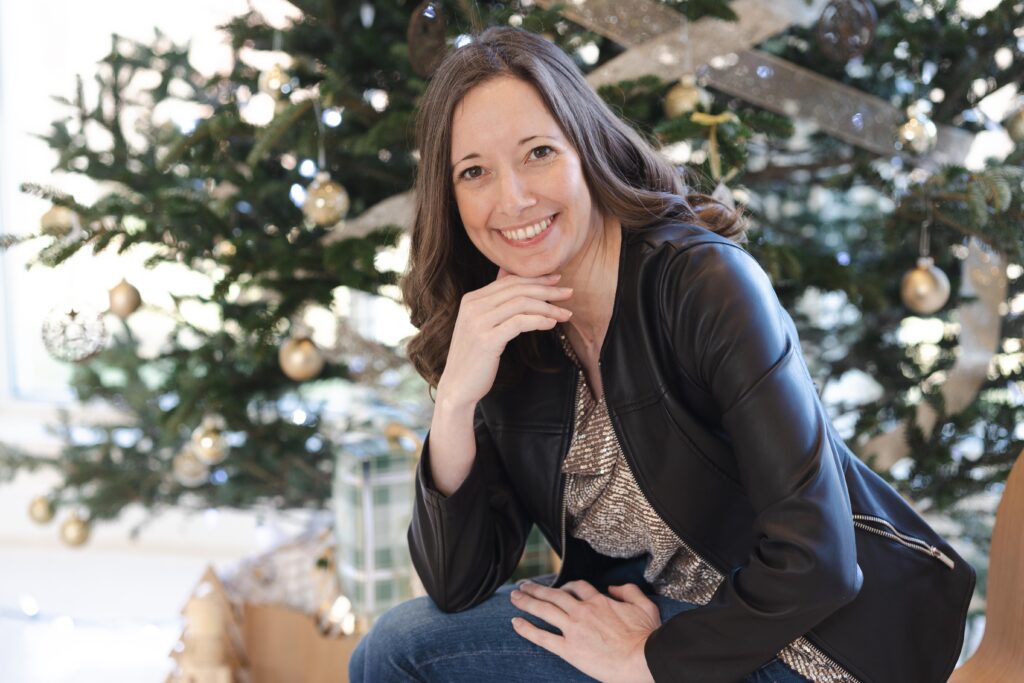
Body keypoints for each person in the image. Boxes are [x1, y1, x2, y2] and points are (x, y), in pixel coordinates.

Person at [349, 26, 975, 683]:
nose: (512, 199)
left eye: (537, 152)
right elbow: (457, 582)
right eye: (473, 172)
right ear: (450, 197)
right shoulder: (507, 323)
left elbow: (815, 559)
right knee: (397, 647)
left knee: (400, 653)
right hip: (654, 623)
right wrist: (454, 400)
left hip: (814, 641)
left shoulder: (701, 284)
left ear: (585, 147)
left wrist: (648, 661)